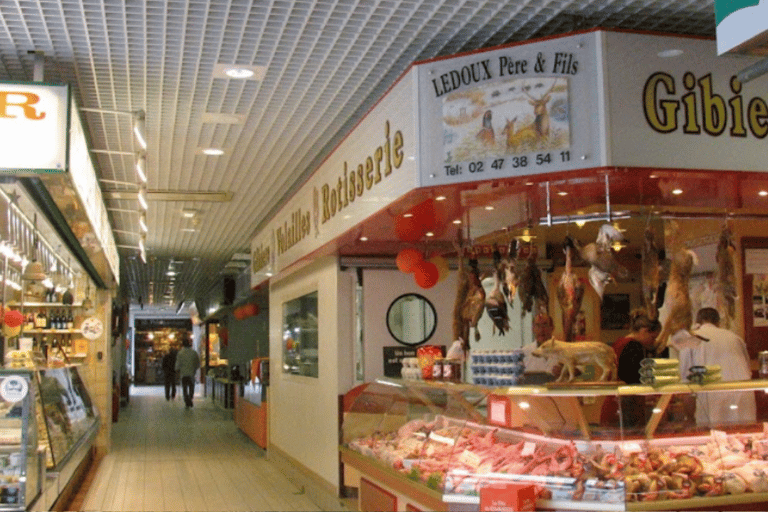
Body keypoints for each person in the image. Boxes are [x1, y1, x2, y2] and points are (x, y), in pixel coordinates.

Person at [678, 307, 756, 426]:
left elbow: (687, 385)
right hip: (743, 397)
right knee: (745, 437)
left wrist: (689, 419)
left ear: (697, 322)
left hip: (712, 398)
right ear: (718, 322)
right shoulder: (734, 337)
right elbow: (748, 370)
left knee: (715, 439)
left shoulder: (690, 339)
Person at [612, 309, 663, 427]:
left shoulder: (619, 342)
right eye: (653, 337)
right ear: (644, 331)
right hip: (627, 407)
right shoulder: (634, 346)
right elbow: (633, 378)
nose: (653, 342)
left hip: (615, 404)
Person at [522, 313, 560, 377]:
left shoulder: (564, 348)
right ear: (533, 328)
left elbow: (579, 369)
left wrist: (566, 372)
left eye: (545, 325)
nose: (541, 330)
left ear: (552, 327)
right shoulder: (524, 352)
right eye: (537, 326)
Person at [175, 339, 200, 408]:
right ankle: (190, 398)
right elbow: (198, 363)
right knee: (191, 388)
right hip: (191, 374)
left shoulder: (180, 353)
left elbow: (177, 365)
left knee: (185, 388)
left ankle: (187, 401)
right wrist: (194, 369)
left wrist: (177, 372)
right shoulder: (194, 352)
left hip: (183, 374)